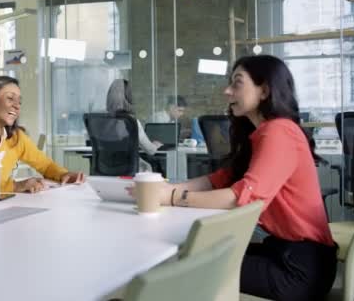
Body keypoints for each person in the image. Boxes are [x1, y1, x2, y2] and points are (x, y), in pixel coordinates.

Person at [128, 55, 337, 301]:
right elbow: (220, 179)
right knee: (191, 255)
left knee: (184, 267)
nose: (227, 91)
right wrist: (166, 188)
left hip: (299, 269)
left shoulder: (279, 131)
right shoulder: (262, 133)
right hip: (281, 252)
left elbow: (241, 199)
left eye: (237, 83)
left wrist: (172, 196)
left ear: (264, 90)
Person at [106, 79, 163, 172]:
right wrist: (155, 145)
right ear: (129, 98)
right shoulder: (131, 121)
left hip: (105, 168)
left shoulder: (100, 121)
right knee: (148, 167)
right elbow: (150, 151)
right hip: (129, 169)